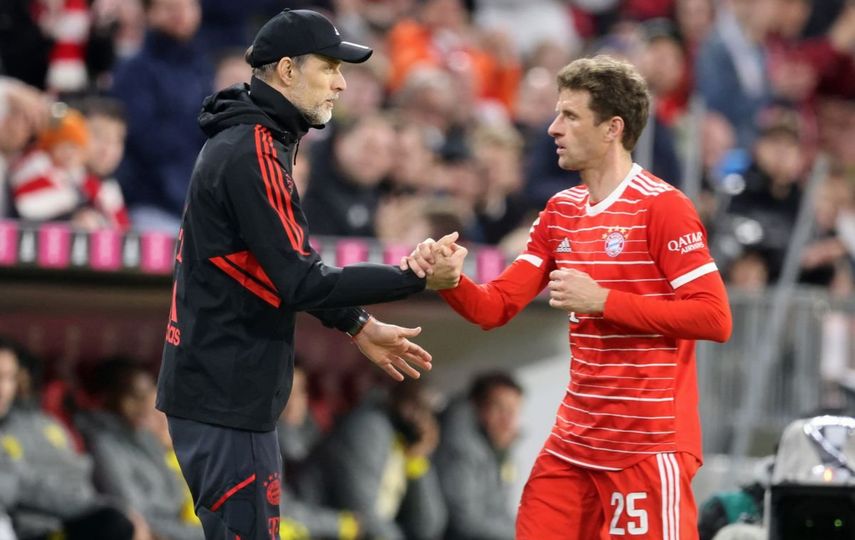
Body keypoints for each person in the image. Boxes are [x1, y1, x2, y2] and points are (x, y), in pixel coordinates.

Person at [155, 9, 464, 540]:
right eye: (329, 68)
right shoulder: (251, 149)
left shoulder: (259, 140)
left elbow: (281, 267)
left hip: (226, 395)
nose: (342, 82)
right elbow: (301, 279)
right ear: (286, 72)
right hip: (225, 398)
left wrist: (358, 324)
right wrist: (414, 276)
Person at [403, 55, 733, 539]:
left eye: (571, 116)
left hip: (646, 445)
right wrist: (451, 280)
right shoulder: (561, 211)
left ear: (612, 128)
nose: (553, 128)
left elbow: (714, 318)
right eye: (557, 114)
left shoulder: (665, 208)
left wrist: (605, 301)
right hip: (572, 449)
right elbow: (495, 307)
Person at [435, 371, 523, 540]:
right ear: (477, 407)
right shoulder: (459, 446)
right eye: (499, 408)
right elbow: (464, 522)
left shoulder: (497, 448)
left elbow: (499, 511)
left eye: (514, 411)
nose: (507, 420)